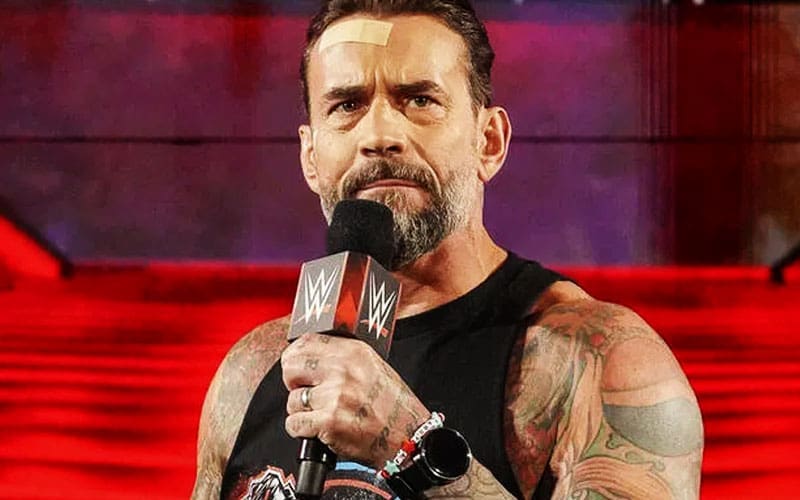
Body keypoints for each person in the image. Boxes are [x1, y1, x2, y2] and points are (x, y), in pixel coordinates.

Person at [192, 1, 704, 499]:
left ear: (489, 141)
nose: (380, 134)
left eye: (419, 100)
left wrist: (412, 446)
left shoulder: (602, 363)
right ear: (310, 156)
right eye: (347, 105)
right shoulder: (253, 370)